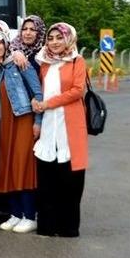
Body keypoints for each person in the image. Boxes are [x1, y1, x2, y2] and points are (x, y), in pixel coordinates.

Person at [32, 23, 88, 238]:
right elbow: (39, 90)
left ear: (69, 39)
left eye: (59, 37)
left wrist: (48, 103)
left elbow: (77, 91)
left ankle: (68, 227)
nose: (54, 42)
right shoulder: (44, 63)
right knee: (47, 179)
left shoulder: (77, 60)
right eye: (50, 38)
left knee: (70, 181)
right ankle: (47, 225)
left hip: (69, 125)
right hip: (48, 126)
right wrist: (37, 102)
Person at [0, 31, 42, 233]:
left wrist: (38, 122)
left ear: (6, 43)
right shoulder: (0, 69)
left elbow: (37, 93)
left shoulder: (20, 63)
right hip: (6, 124)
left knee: (24, 167)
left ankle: (30, 216)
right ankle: (15, 213)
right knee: (8, 166)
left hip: (23, 121)